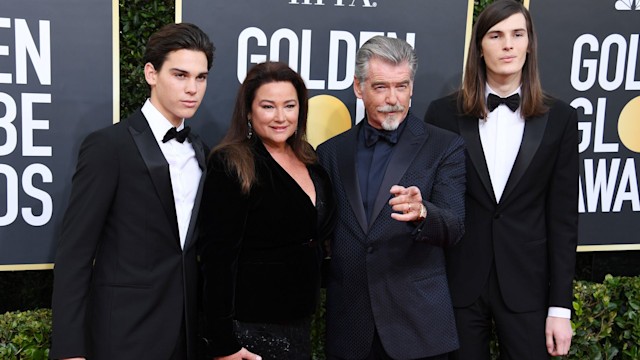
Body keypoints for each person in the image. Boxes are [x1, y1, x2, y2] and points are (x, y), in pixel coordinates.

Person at [50, 23, 214, 360]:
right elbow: (75, 255)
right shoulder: (109, 146)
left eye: (201, 77)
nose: (192, 89)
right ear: (151, 74)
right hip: (124, 334)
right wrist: (69, 349)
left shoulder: (202, 151)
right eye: (180, 75)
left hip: (186, 336)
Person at [424, 1, 578, 358]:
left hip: (528, 287)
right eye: (496, 35)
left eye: (517, 34)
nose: (507, 44)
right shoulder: (442, 114)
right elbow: (432, 208)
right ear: (479, 46)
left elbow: (564, 219)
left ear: (529, 44)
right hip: (459, 286)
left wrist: (560, 308)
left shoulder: (561, 118)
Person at [316, 36, 466, 360]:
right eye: (381, 87)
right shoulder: (330, 152)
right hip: (350, 328)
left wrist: (424, 212)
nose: (393, 99)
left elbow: (454, 226)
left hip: (417, 328)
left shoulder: (444, 146)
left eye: (401, 86)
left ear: (412, 87)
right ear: (359, 87)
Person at [198, 61, 335, 360]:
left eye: (290, 105)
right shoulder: (232, 163)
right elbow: (217, 258)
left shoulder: (310, 159)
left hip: (299, 322)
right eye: (268, 106)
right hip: (249, 329)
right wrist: (223, 343)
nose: (281, 117)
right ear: (248, 111)